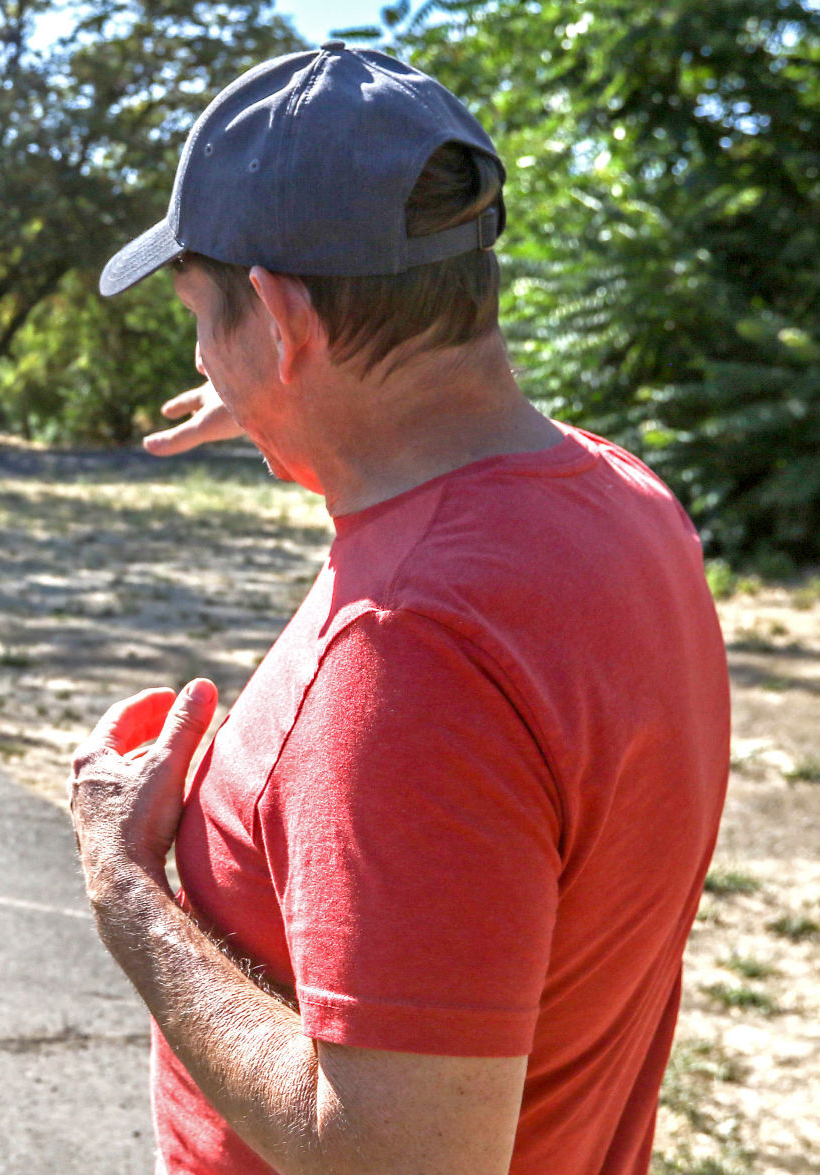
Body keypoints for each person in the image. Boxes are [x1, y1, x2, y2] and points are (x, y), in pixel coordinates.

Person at [67, 42, 730, 1175]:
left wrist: (124, 888)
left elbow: (397, 1154)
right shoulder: (624, 503)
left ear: (281, 320)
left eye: (199, 315)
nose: (200, 355)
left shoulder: (409, 651)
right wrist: (290, 404)